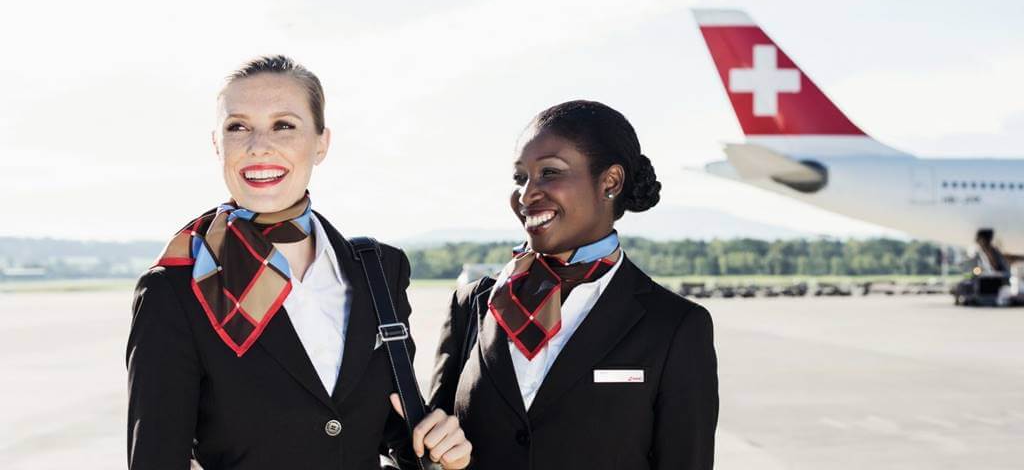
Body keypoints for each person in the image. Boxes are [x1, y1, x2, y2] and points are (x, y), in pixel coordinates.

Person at [126, 55, 472, 470]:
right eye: (237, 127)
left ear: (321, 143)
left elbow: (384, 428)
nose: (258, 145)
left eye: (283, 125)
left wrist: (439, 448)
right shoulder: (175, 288)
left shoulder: (379, 269)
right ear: (218, 144)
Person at [428, 100, 719, 469]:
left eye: (550, 172)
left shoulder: (675, 326)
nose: (527, 193)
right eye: (521, 178)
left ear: (610, 182)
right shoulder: (472, 305)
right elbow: (429, 449)